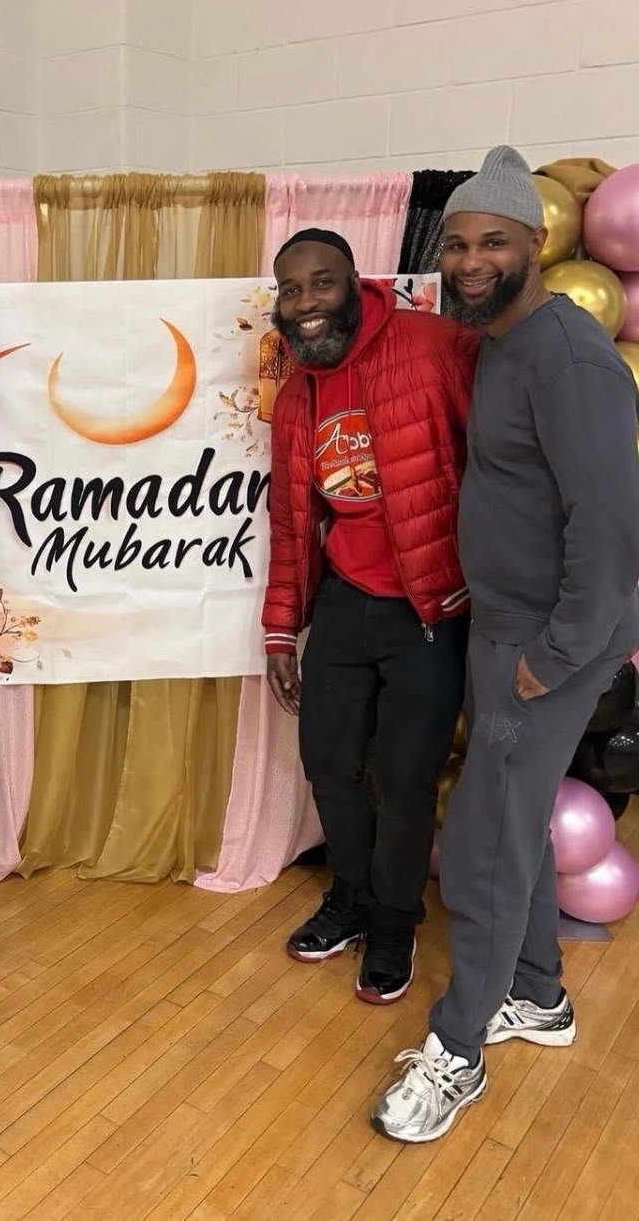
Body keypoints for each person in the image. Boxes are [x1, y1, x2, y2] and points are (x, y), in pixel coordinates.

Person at [372, 146, 639, 1143]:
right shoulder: (501, 344)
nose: (471, 260)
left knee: (485, 835)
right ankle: (537, 993)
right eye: (456, 244)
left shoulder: (571, 359)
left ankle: (458, 1049)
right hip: (506, 629)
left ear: (536, 241)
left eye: (493, 241)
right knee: (513, 821)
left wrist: (555, 654)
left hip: (548, 643)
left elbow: (610, 528)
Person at [264, 229, 478, 1004]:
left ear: (356, 282)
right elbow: (292, 523)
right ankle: (351, 896)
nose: (306, 302)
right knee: (328, 762)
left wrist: (484, 579)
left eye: (322, 282)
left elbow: (503, 460)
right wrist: (281, 628)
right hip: (344, 601)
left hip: (429, 606)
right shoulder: (298, 394)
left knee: (406, 778)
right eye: (291, 289)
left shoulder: (433, 345)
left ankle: (394, 922)